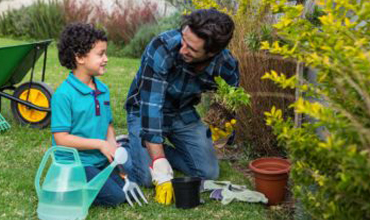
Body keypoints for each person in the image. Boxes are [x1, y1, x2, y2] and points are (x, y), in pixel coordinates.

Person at [124, 8, 239, 205]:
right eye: (183, 39)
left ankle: (143, 147)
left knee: (208, 172)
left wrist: (223, 124)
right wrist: (159, 166)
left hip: (182, 113)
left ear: (212, 53)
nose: (182, 49)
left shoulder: (225, 65)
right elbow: (151, 109)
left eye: (192, 49)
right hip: (144, 109)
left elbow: (231, 97)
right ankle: (128, 146)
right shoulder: (163, 47)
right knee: (146, 177)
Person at [51, 23, 126, 206]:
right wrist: (100, 144)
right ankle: (67, 186)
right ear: (80, 57)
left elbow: (107, 123)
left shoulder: (102, 89)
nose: (106, 59)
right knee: (117, 197)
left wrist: (111, 145)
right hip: (76, 164)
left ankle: (89, 181)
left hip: (98, 160)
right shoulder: (63, 95)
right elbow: (61, 138)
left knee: (124, 187)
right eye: (100, 54)